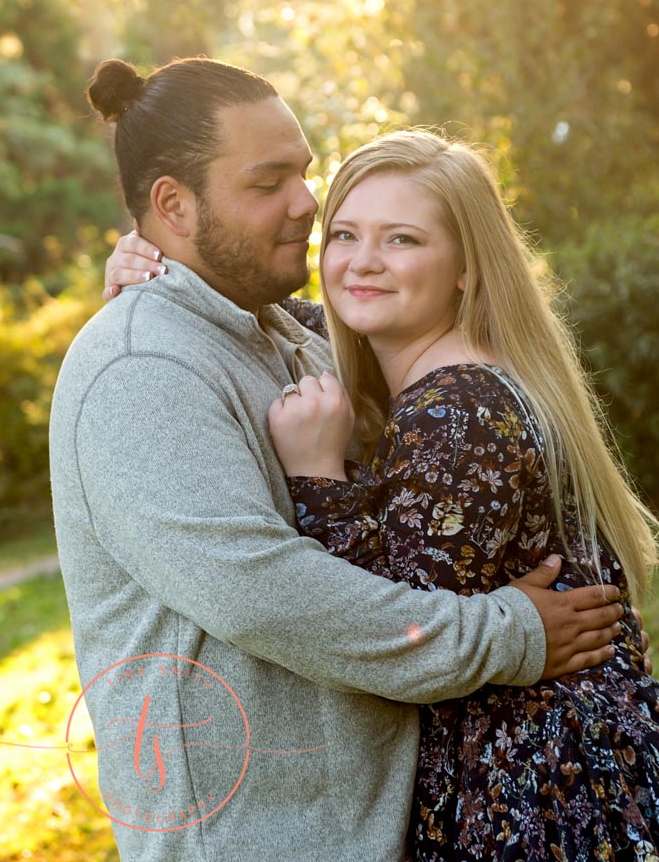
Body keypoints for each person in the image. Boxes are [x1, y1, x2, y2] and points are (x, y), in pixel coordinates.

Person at [65, 55, 624, 862]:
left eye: (305, 172)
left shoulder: (276, 331)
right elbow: (265, 595)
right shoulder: (140, 369)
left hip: (371, 824)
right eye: (268, 184)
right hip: (262, 840)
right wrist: (508, 634)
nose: (308, 204)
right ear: (173, 205)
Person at [261, 129, 659, 860]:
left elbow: (401, 638)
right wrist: (153, 265)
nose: (363, 262)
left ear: (466, 270)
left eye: (402, 239)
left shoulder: (460, 409)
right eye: (344, 233)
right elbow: (318, 311)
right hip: (546, 766)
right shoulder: (457, 372)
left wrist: (317, 477)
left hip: (533, 789)